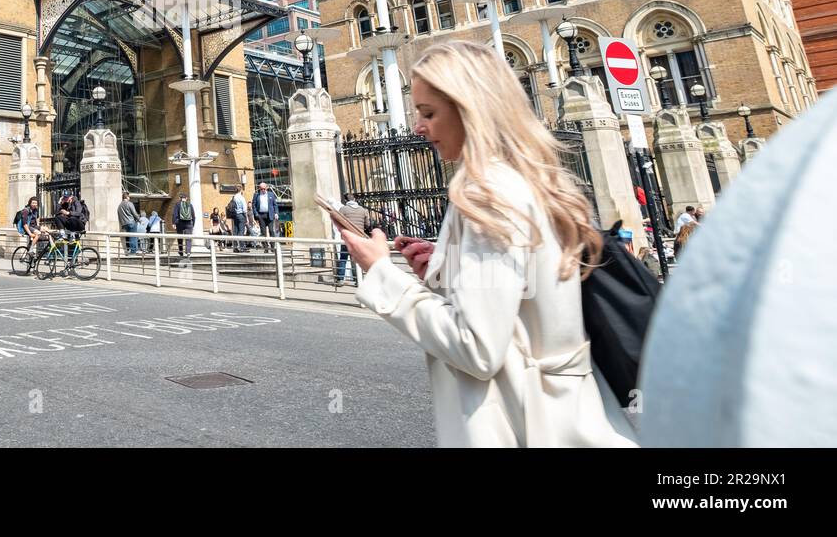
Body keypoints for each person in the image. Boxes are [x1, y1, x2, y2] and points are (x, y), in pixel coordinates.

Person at [340, 40, 636, 447]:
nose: (417, 127)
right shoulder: (525, 181)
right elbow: (521, 302)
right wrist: (445, 270)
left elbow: (476, 348)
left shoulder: (487, 194)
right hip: (568, 414)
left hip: (526, 425)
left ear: (471, 110)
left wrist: (382, 272)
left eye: (428, 113)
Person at [252, 182, 278, 251]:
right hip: (261, 215)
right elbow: (253, 205)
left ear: (266, 188)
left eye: (264, 189)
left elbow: (275, 205)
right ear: (259, 189)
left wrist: (276, 213)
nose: (263, 190)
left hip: (270, 214)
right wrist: (256, 214)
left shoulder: (271, 194)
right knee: (263, 232)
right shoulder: (256, 195)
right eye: (261, 189)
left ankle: (272, 247)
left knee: (271, 230)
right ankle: (266, 247)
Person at [117, 191, 141, 255]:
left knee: (129, 237)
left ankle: (131, 250)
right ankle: (133, 251)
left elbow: (119, 215)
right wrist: (139, 220)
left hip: (124, 224)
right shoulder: (129, 203)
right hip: (131, 222)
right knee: (133, 236)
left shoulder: (119, 206)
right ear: (127, 197)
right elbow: (134, 213)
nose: (129, 198)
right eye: (129, 196)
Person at [173, 193, 195, 257]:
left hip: (180, 223)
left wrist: (174, 223)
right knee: (188, 238)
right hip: (189, 223)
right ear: (186, 198)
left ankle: (180, 251)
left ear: (180, 198)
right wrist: (193, 224)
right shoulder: (190, 205)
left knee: (180, 237)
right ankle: (188, 251)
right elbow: (193, 215)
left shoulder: (177, 204)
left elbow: (175, 214)